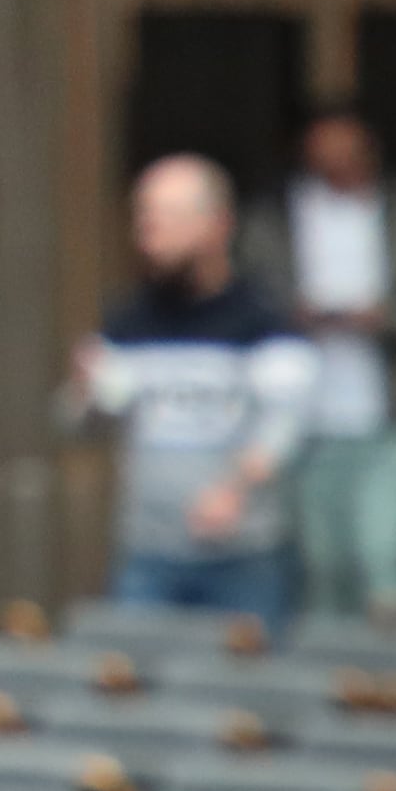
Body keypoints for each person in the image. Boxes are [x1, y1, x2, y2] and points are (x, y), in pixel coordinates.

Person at [61, 153, 315, 623]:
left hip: (244, 558)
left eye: (168, 216)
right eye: (144, 215)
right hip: (149, 552)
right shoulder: (127, 321)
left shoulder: (262, 321)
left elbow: (287, 423)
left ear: (217, 226)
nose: (149, 232)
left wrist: (235, 490)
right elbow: (84, 424)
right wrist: (85, 390)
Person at [240, 103, 396, 620]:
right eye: (323, 153)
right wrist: (295, 313)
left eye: (346, 152)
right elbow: (250, 294)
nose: (335, 163)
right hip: (304, 423)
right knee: (322, 567)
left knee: (383, 557)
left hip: (390, 416)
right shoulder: (275, 216)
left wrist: (383, 317)